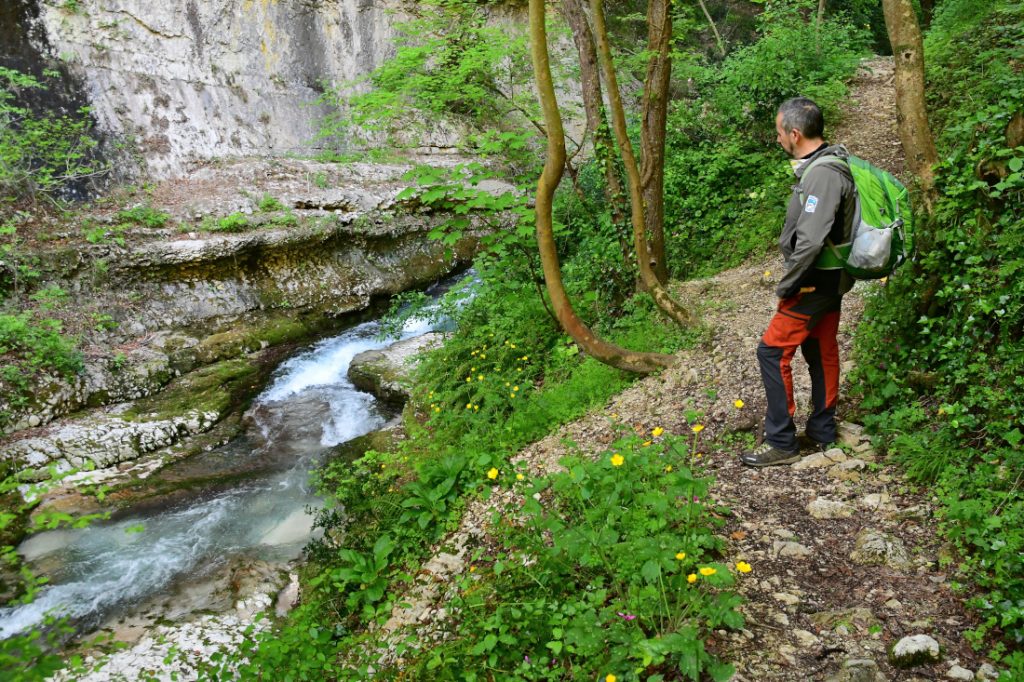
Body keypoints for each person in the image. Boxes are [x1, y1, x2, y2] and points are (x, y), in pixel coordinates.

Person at [740, 97, 856, 467]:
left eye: (779, 133)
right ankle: (822, 431)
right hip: (830, 278)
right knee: (821, 350)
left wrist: (787, 286)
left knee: (772, 352)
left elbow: (809, 241)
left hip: (814, 282)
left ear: (795, 133)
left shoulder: (822, 174)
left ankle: (782, 441)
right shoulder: (828, 163)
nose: (777, 140)